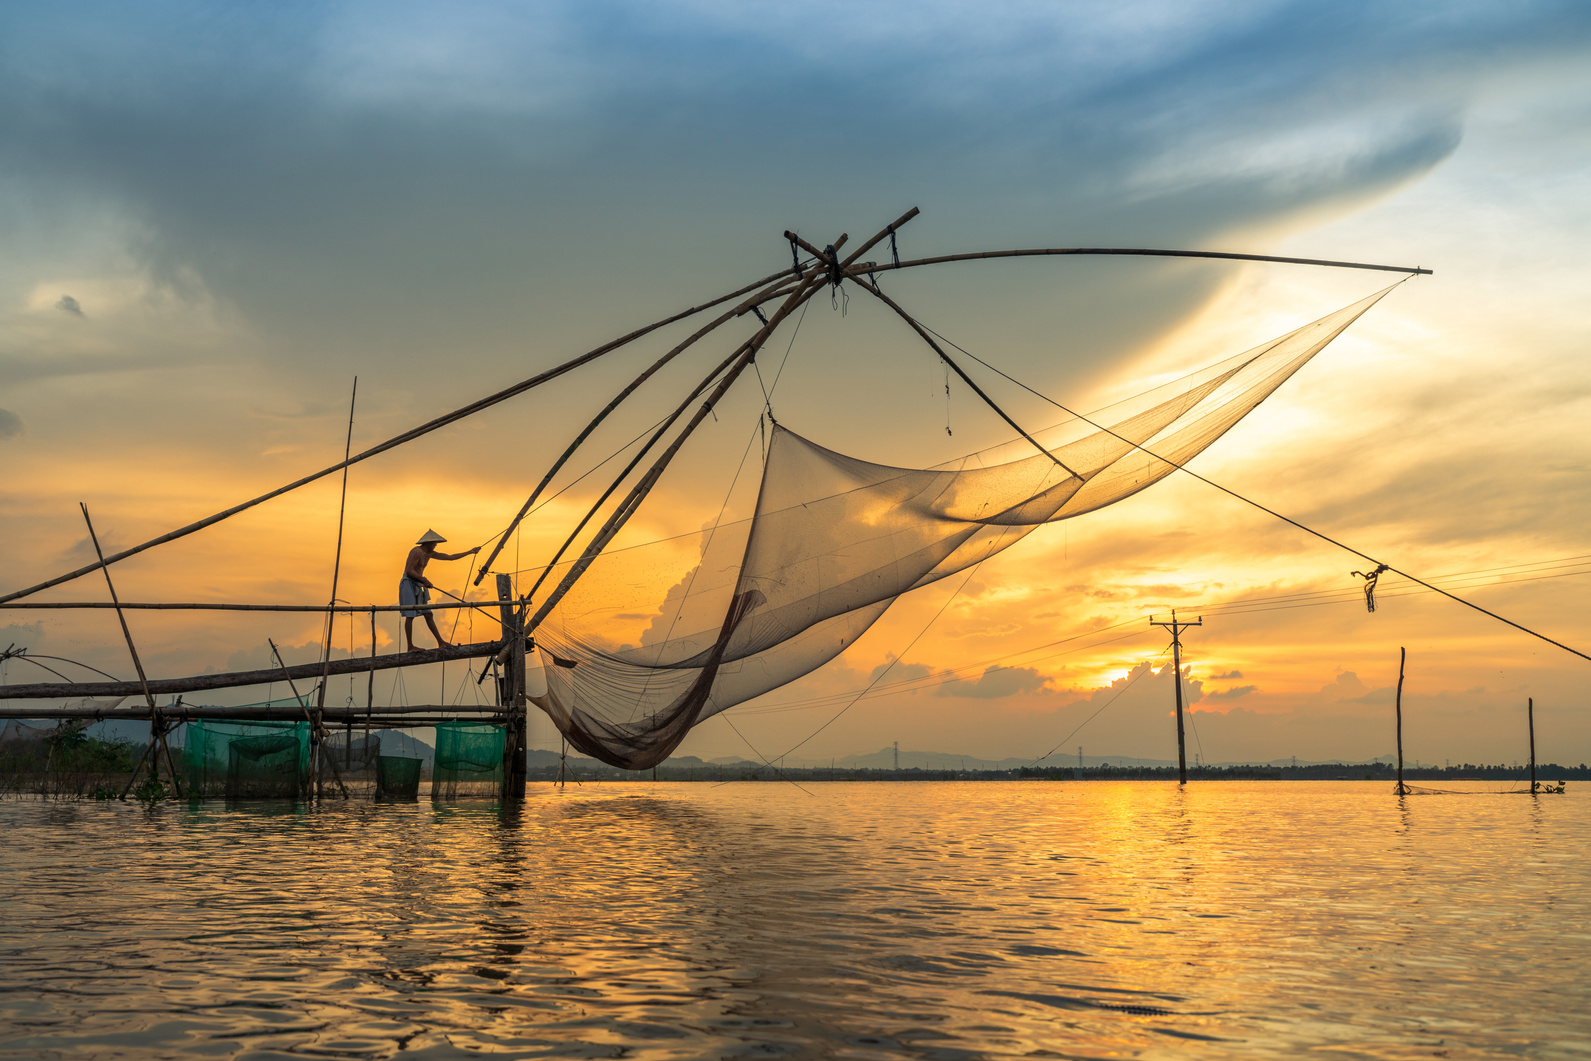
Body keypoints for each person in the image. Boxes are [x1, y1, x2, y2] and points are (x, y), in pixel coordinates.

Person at [400, 530, 480, 650]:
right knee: (410, 615)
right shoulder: (417, 552)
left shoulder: (430, 554)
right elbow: (409, 571)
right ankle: (410, 646)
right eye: (435, 543)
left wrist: (470, 552)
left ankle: (441, 642)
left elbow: (450, 557)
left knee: (428, 614)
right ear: (429, 542)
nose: (436, 545)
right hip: (408, 583)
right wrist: (424, 579)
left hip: (418, 584)